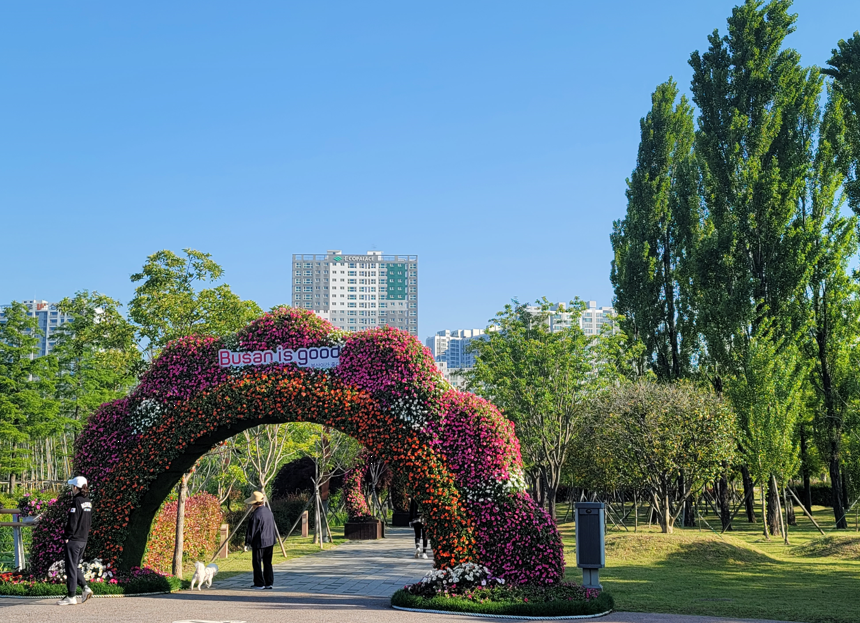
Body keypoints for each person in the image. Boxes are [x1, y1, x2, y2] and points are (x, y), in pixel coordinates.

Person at [57, 476, 93, 606]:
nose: (72, 489)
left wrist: (67, 536)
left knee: (70, 567)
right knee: (75, 565)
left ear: (76, 487)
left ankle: (71, 596)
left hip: (74, 539)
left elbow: (73, 521)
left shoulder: (76, 501)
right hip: (83, 539)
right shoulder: (88, 501)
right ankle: (85, 587)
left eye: (73, 486)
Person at [244, 491, 277, 589]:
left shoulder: (255, 515)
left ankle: (259, 583)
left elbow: (251, 531)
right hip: (270, 541)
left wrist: (247, 543)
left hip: (259, 542)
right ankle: (269, 582)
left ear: (254, 503)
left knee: (257, 562)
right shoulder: (269, 512)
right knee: (267, 562)